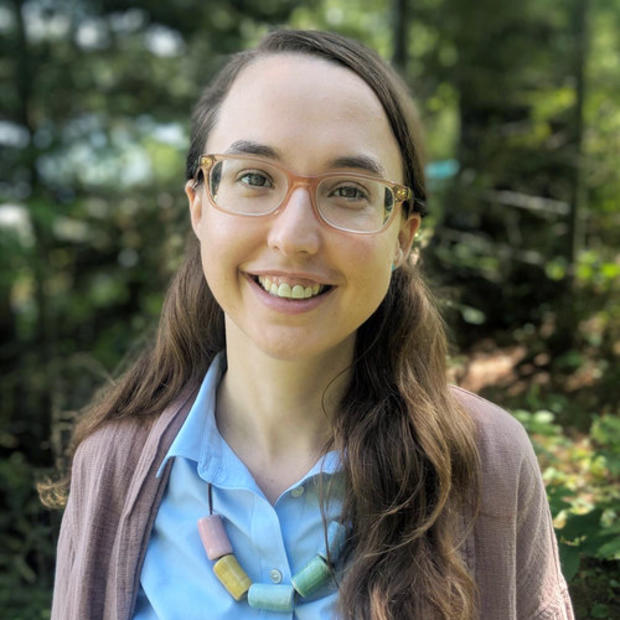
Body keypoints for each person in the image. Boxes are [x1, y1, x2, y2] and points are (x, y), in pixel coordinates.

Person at [48, 29, 574, 619]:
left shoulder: (488, 465)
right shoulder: (112, 469)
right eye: (254, 177)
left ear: (403, 235)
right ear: (199, 205)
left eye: (349, 190)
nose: (293, 237)